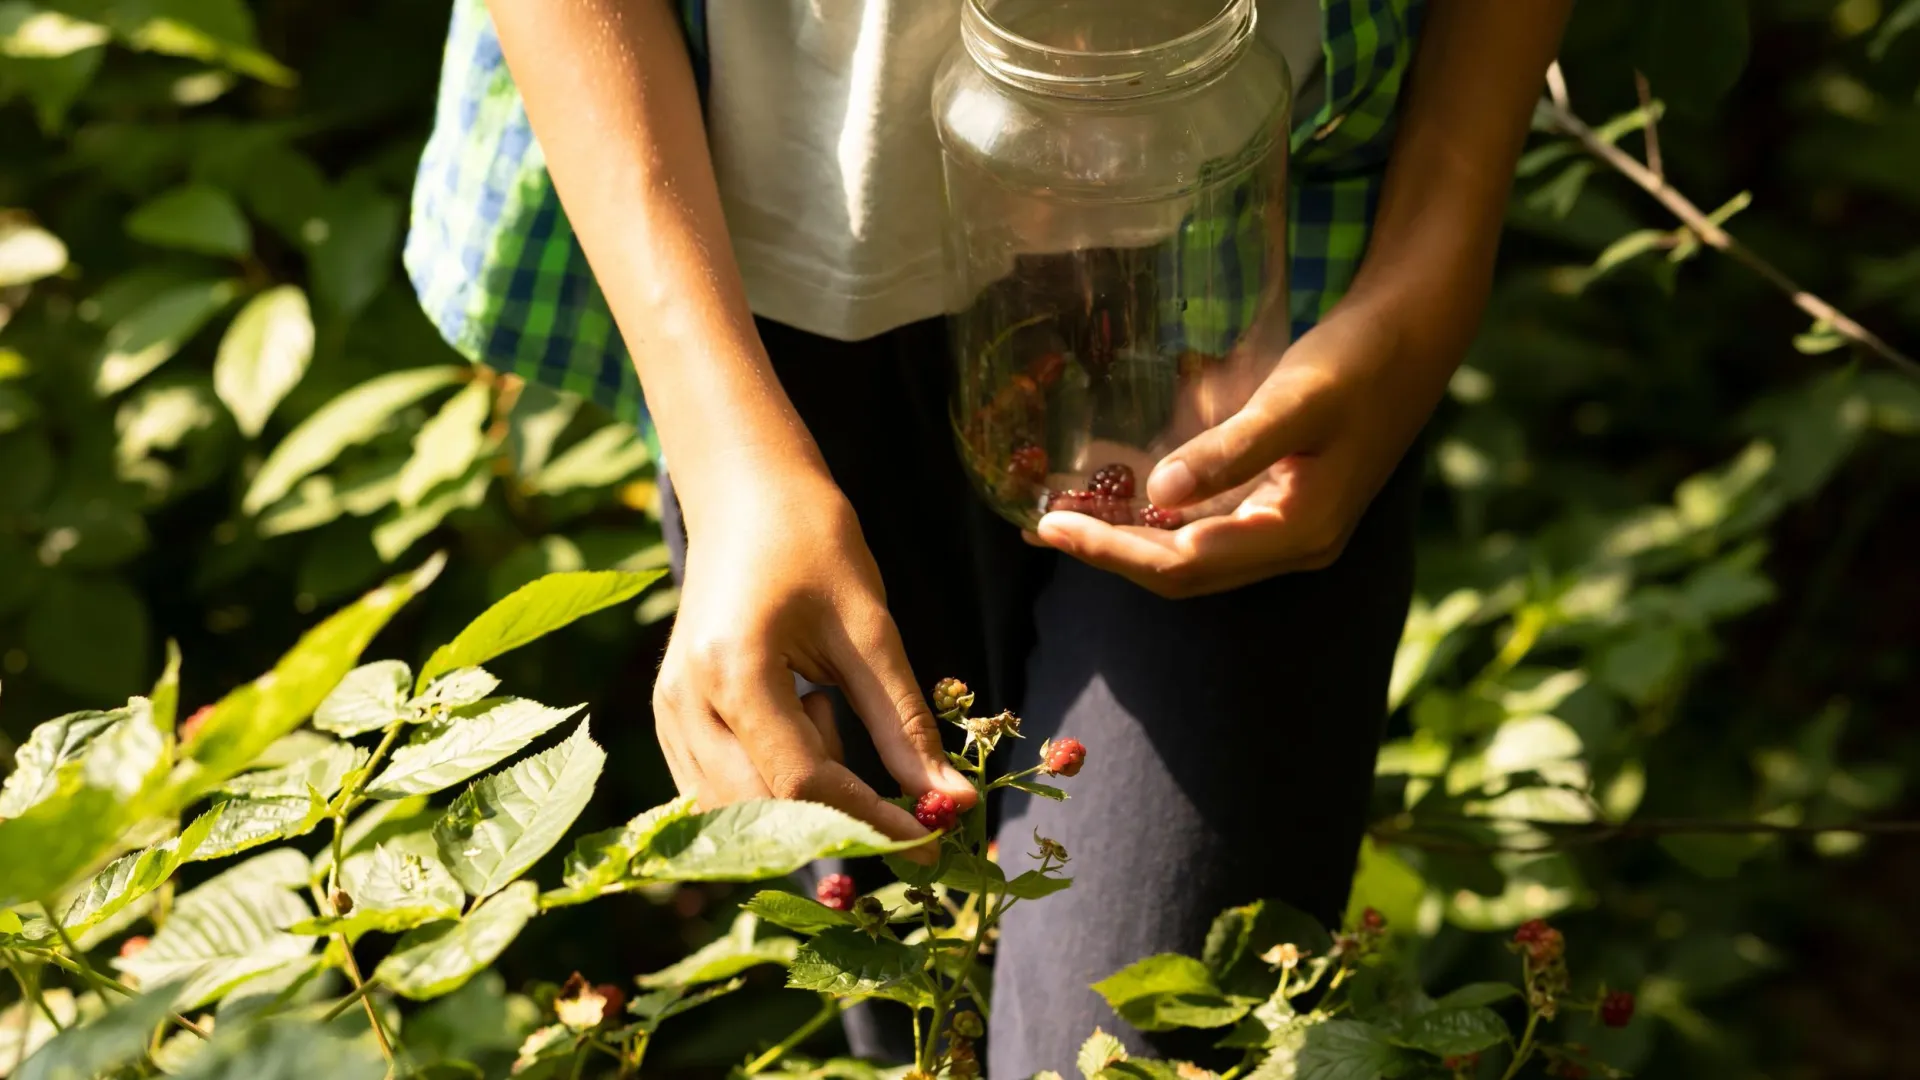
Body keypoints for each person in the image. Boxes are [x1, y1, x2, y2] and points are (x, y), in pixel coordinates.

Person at [405, 0, 1572, 1072]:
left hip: (1253, 279)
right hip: (769, 283)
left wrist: (1437, 257)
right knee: (911, 1003)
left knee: (1145, 1028)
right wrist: (723, 453)